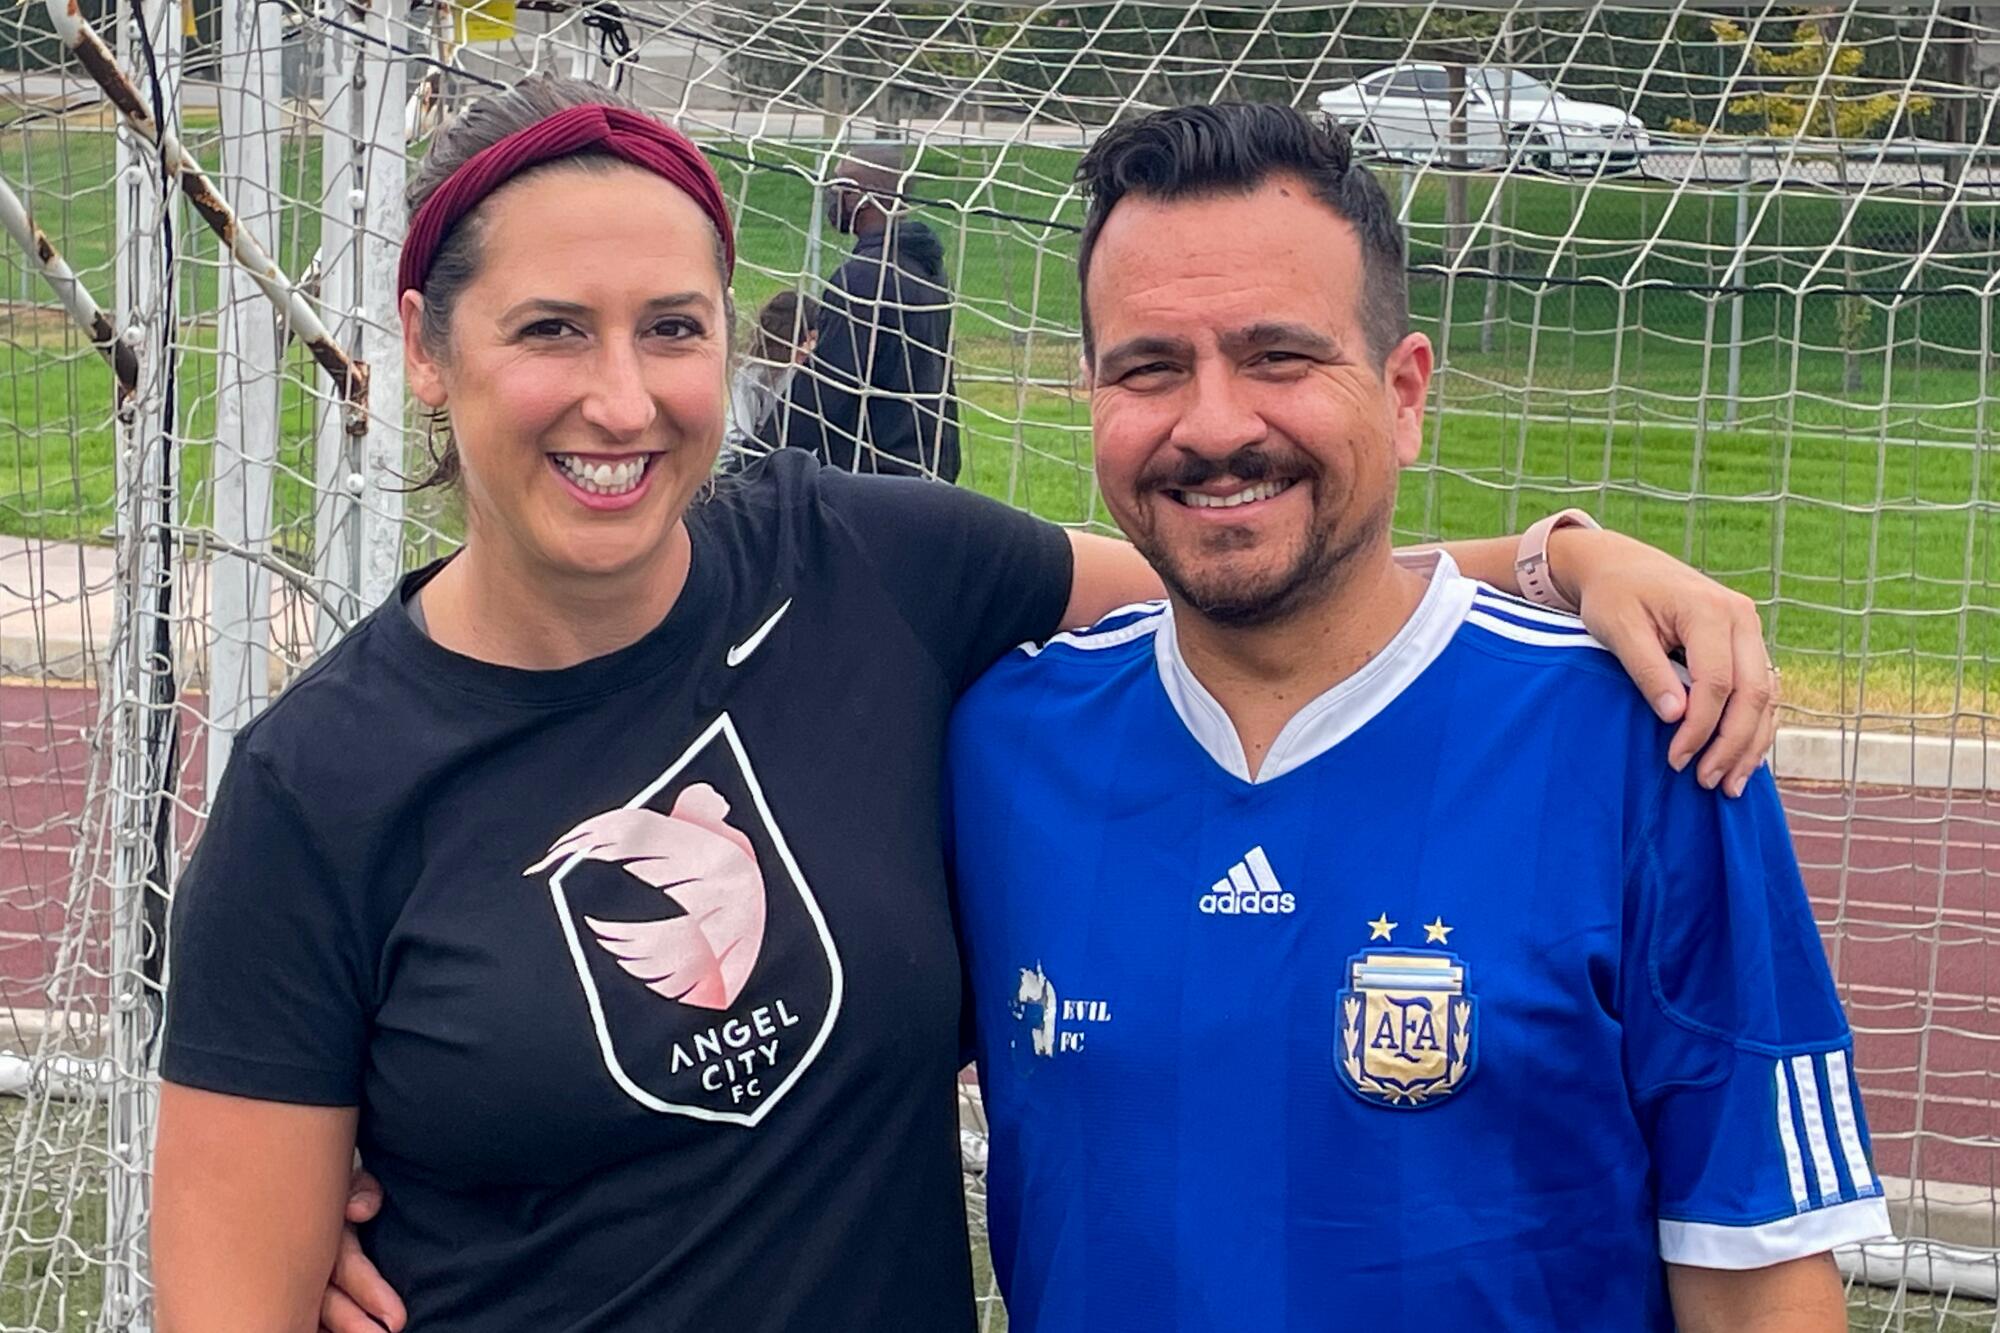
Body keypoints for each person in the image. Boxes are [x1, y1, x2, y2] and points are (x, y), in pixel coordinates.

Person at [151, 77, 1776, 1333]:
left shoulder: (863, 563)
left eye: (675, 329)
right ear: (428, 352)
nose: (621, 396)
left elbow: (1237, 547)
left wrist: (1561, 552)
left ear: (734, 339)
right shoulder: (322, 789)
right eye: (549, 332)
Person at [947, 104, 1887, 1333]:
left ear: (1402, 393)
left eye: (1278, 355)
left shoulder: (1643, 739)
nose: (1214, 422)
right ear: (1092, 397)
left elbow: (1756, 1279)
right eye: (1149, 367)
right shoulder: (1000, 742)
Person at [776, 144, 962, 480]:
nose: (832, 198)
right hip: (929, 471)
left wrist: (751, 458)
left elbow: (821, 394)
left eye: (839, 187)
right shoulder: (926, 269)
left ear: (860, 196)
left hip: (876, 481)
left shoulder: (864, 278)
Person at [721, 288, 819, 468]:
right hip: (758, 470)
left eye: (815, 339)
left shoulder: (818, 379)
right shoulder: (754, 375)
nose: (810, 347)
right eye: (806, 339)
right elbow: (734, 440)